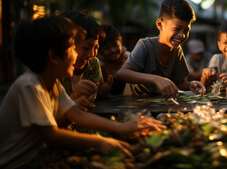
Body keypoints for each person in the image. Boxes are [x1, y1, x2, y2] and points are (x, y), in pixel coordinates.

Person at [0, 16, 165, 168]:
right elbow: (51, 135)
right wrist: (98, 141)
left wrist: (120, 128)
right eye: (72, 47)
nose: (77, 54)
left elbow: (77, 115)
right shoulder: (29, 85)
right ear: (53, 56)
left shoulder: (52, 84)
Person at [115, 0, 205, 98]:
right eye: (177, 29)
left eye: (186, 30)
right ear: (160, 25)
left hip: (158, 106)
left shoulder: (177, 50)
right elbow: (121, 73)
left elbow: (179, 83)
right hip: (134, 106)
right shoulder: (145, 45)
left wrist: (190, 85)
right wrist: (156, 79)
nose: (182, 35)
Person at [60, 11, 107, 109]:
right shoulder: (54, 72)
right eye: (85, 48)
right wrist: (75, 95)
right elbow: (55, 114)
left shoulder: (93, 64)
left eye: (96, 47)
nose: (92, 55)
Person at [98, 24, 130, 95]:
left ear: (120, 41)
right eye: (107, 48)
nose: (112, 50)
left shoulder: (127, 58)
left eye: (115, 45)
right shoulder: (100, 65)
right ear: (100, 50)